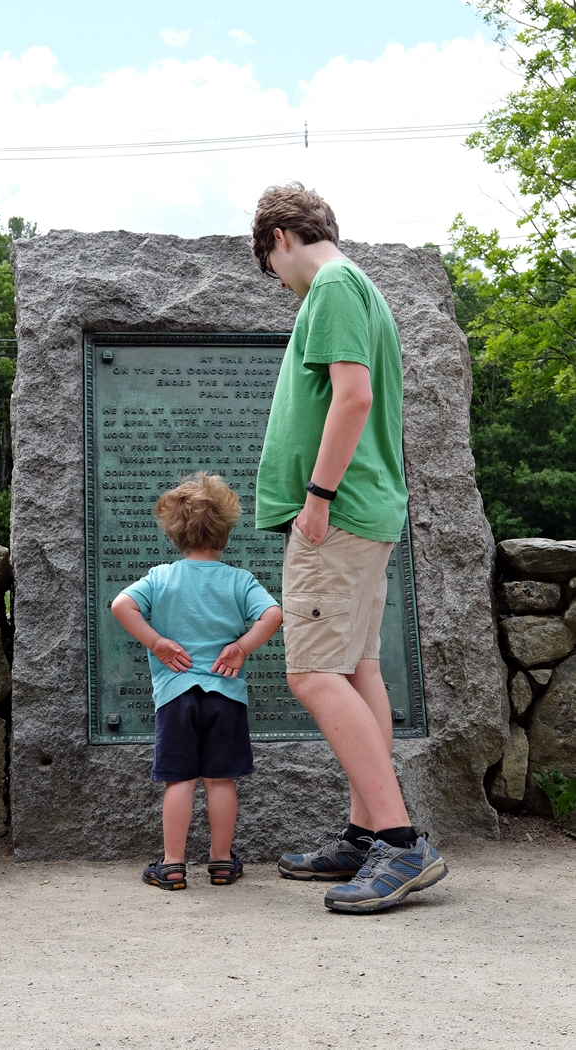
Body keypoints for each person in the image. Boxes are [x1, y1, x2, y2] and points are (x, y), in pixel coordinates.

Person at [252, 182, 447, 913]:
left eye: (271, 266)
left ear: (278, 240)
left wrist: (318, 496)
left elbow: (353, 396)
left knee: (310, 673)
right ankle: (366, 835)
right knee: (357, 665)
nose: (279, 281)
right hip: (368, 512)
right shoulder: (358, 286)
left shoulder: (330, 284)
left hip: (339, 515)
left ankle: (399, 843)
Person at [112, 472, 282, 891]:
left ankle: (172, 865)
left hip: (176, 693)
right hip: (225, 695)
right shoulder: (240, 580)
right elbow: (273, 615)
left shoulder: (161, 577)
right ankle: (222, 862)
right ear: (225, 532)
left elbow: (121, 605)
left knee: (180, 779)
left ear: (174, 534)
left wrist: (158, 643)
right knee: (221, 780)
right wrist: (241, 648)